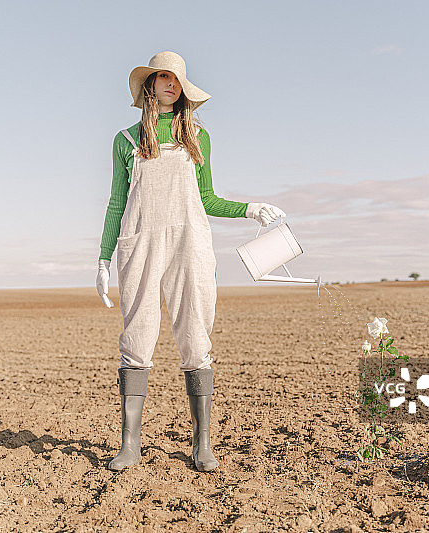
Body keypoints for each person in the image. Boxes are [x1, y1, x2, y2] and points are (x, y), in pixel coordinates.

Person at [96, 51, 285, 472]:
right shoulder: (125, 140)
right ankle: (130, 444)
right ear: (150, 84)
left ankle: (202, 443)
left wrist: (250, 208)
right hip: (140, 245)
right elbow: (116, 203)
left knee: (196, 339)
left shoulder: (198, 137)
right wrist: (104, 257)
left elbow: (208, 199)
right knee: (137, 339)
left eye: (177, 78)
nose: (171, 84)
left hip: (190, 244)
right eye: (163, 76)